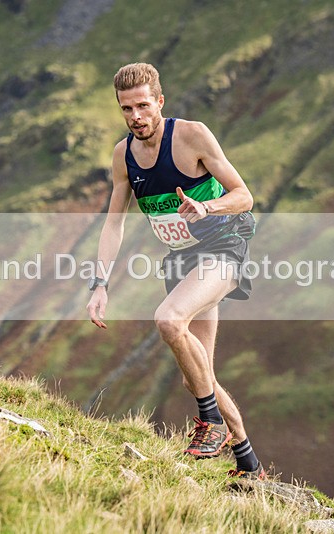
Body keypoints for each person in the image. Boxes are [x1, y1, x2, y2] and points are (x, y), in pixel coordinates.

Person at [86, 63, 264, 480]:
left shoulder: (191, 135)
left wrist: (207, 206)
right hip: (183, 261)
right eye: (127, 109)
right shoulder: (123, 155)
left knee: (168, 318)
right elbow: (114, 223)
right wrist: (100, 284)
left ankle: (211, 424)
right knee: (197, 376)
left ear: (160, 103)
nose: (136, 117)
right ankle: (248, 462)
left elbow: (244, 196)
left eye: (143, 106)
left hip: (224, 246)